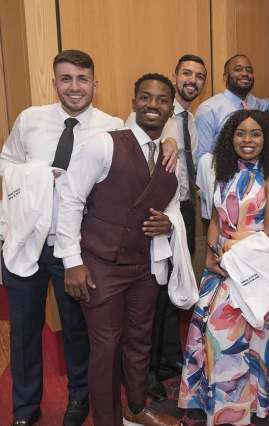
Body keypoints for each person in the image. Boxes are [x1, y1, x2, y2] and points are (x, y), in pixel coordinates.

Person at [0, 49, 168, 426]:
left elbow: (146, 149)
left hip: (77, 250)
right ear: (55, 82)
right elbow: (6, 162)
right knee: (25, 332)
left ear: (95, 84)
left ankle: (79, 399)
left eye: (81, 80)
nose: (74, 88)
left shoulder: (112, 125)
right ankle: (25, 411)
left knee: (79, 332)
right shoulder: (30, 120)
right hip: (28, 242)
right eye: (65, 79)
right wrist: (36, 175)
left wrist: (168, 144)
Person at [55, 73, 184, 426]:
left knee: (141, 343)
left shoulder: (171, 155)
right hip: (100, 266)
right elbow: (70, 200)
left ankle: (136, 408)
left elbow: (172, 204)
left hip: (145, 267)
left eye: (161, 100)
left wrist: (170, 224)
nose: (152, 105)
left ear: (171, 108)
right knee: (107, 349)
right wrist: (71, 262)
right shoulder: (104, 144)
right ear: (134, 102)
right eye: (145, 97)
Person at [178, 109, 269, 425]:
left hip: (252, 264)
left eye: (255, 133)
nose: (247, 139)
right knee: (213, 333)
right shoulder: (224, 171)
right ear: (231, 138)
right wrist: (212, 256)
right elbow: (215, 218)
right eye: (240, 133)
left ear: (266, 138)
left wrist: (229, 259)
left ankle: (247, 404)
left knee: (243, 331)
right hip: (220, 264)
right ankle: (220, 401)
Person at [127, 54, 207, 401]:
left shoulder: (189, 119)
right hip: (156, 213)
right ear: (175, 77)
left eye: (199, 76)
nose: (192, 79)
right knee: (153, 293)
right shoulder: (151, 114)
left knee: (176, 285)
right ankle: (148, 370)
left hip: (184, 211)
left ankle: (168, 356)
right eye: (187, 73)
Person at [195, 54, 269, 166]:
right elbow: (200, 160)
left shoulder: (254, 102)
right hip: (222, 178)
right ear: (225, 76)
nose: (245, 74)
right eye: (238, 69)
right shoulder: (209, 109)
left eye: (249, 70)